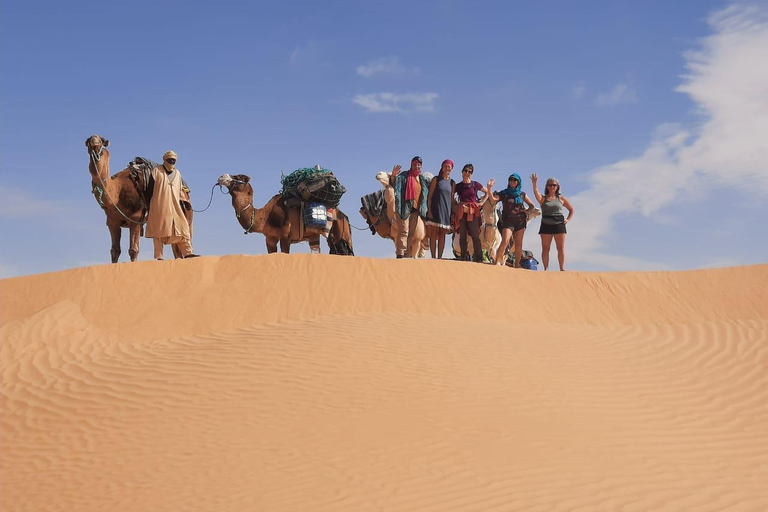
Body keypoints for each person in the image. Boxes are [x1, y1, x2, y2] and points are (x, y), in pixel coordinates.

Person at [145, 150, 198, 260]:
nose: (172, 162)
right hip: (159, 206)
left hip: (175, 206)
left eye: (174, 160)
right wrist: (147, 205)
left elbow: (179, 188)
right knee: (158, 231)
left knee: (183, 228)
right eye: (170, 160)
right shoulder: (156, 171)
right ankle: (159, 255)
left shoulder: (177, 173)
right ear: (165, 160)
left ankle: (188, 252)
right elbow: (149, 190)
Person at [487, 173, 536, 267]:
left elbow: (532, 205)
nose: (512, 182)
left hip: (520, 221)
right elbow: (493, 200)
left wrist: (527, 211)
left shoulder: (522, 194)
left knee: (519, 244)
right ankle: (497, 261)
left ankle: (517, 265)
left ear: (518, 182)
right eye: (511, 180)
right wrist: (489, 188)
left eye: (515, 180)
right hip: (508, 220)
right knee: (505, 241)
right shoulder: (505, 193)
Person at [389, 156, 431, 258]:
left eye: (418, 165)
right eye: (415, 164)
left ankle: (408, 254)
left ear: (421, 166)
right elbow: (395, 184)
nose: (416, 166)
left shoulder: (422, 179)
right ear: (411, 165)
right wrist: (393, 176)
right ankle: (400, 254)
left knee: (412, 233)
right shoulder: (404, 176)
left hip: (416, 210)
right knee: (404, 231)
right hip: (404, 208)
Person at [531, 174, 574, 271]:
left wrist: (567, 220)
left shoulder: (561, 199)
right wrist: (534, 183)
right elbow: (536, 193)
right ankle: (546, 268)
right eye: (550, 185)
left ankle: (562, 268)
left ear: (557, 187)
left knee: (560, 248)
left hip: (559, 224)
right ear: (547, 186)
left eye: (554, 185)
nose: (552, 187)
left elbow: (571, 209)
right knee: (546, 248)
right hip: (546, 224)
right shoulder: (543, 199)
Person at [454, 163, 488, 263]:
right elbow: (451, 195)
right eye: (466, 170)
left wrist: (481, 202)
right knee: (462, 234)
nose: (467, 173)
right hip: (462, 211)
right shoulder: (458, 186)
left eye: (470, 171)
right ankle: (463, 256)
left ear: (471, 174)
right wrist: (456, 206)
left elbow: (487, 192)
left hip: (472, 211)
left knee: (475, 234)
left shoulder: (475, 184)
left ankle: (479, 258)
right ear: (462, 171)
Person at [426, 159, 456, 259]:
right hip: (435, 209)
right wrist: (429, 210)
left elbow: (451, 199)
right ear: (442, 167)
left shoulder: (452, 183)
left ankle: (440, 258)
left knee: (443, 234)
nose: (447, 168)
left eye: (449, 167)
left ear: (452, 169)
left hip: (446, 211)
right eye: (445, 166)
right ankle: (433, 257)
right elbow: (430, 196)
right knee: (433, 234)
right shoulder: (436, 179)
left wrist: (453, 213)